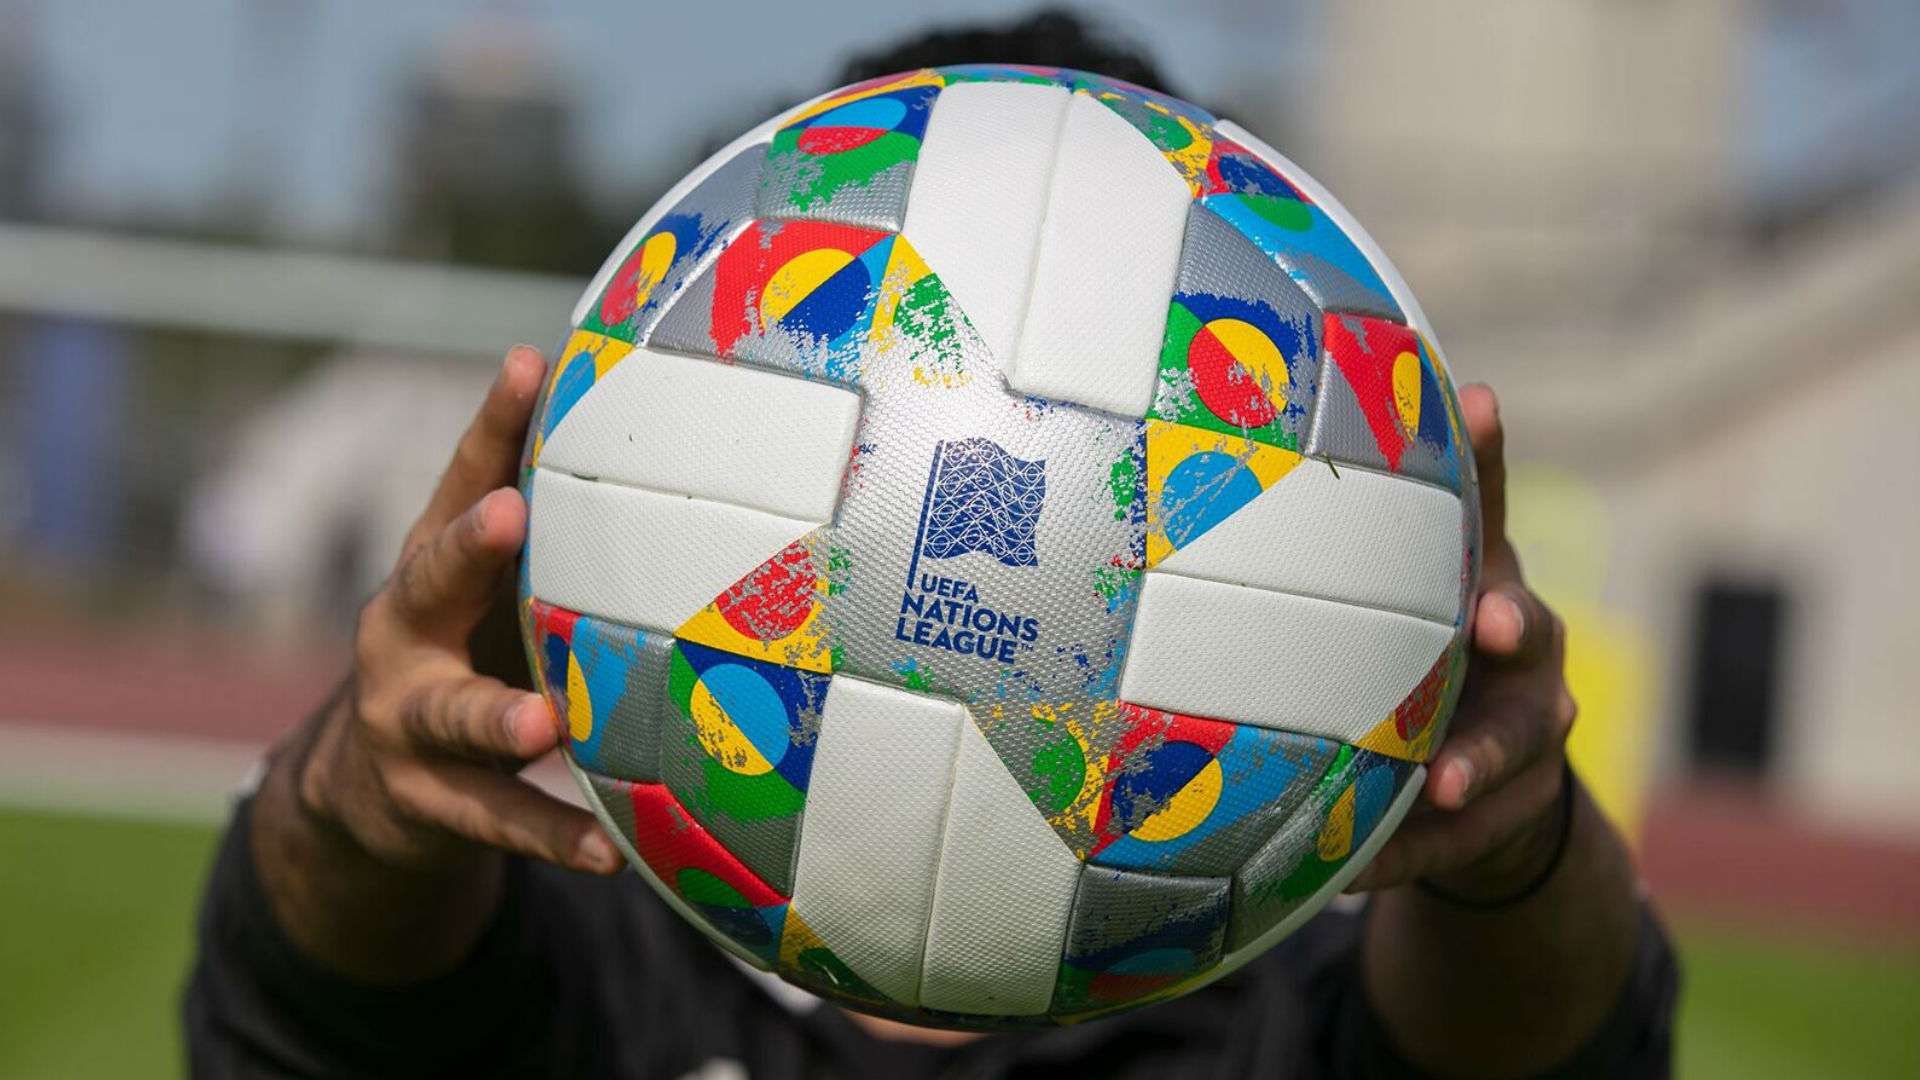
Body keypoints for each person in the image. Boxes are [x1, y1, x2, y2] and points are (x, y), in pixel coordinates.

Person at [185, 16, 1675, 1078]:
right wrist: (370, 788)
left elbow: (1565, 1048)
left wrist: (1513, 838)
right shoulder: (579, 944)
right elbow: (301, 1012)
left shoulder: (1276, 975)